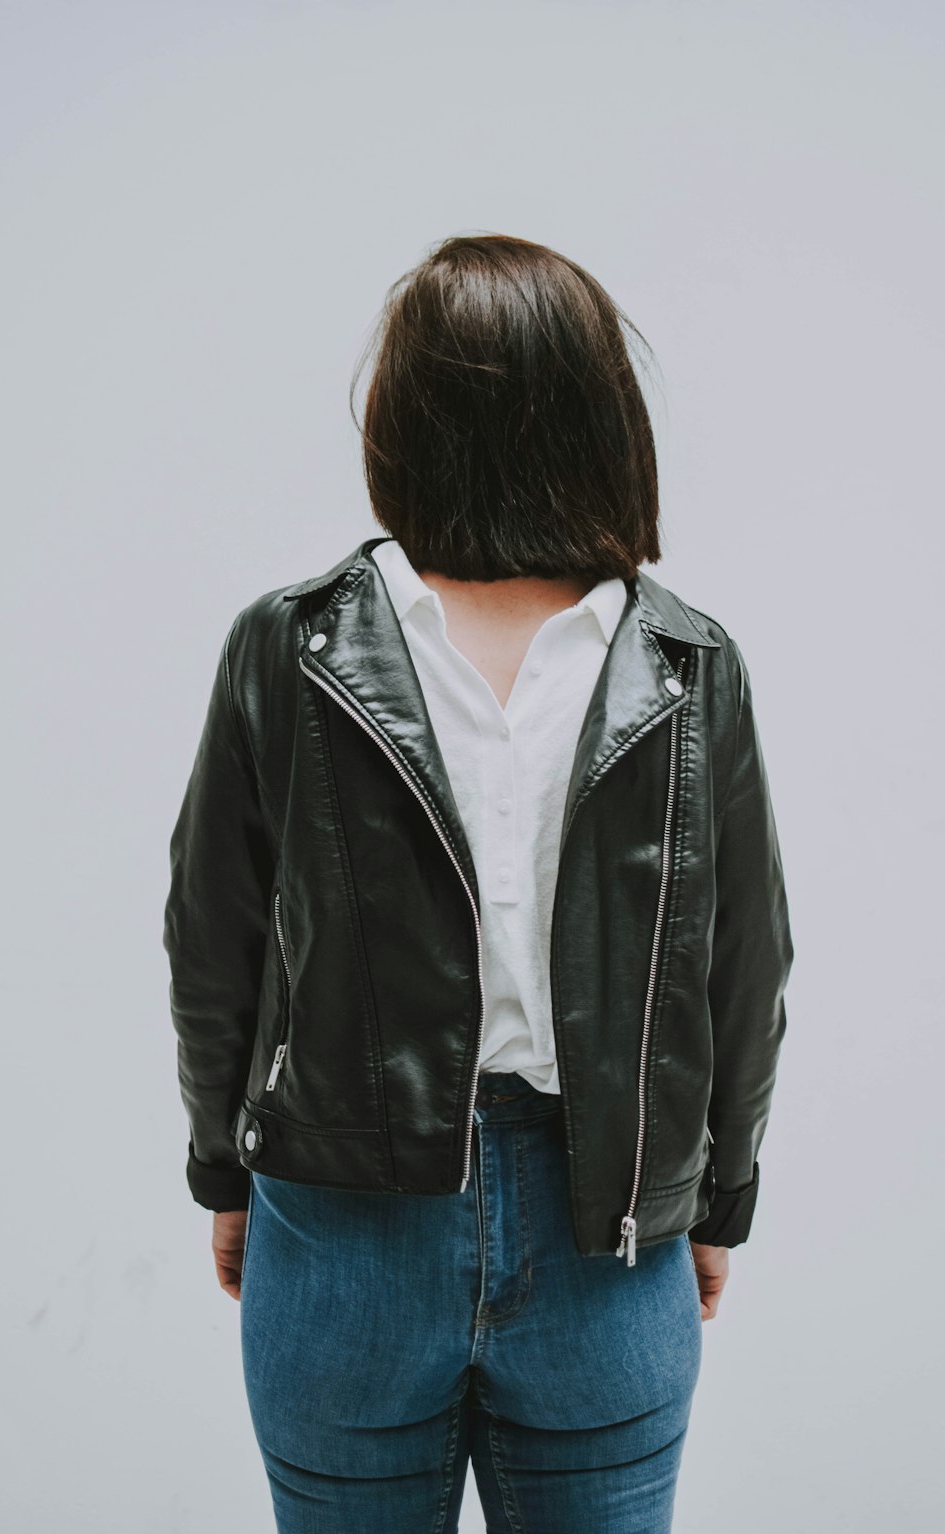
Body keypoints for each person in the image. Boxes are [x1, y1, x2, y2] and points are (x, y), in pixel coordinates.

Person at [162, 232, 794, 1534]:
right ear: (600, 415)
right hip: (594, 1236)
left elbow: (210, 941)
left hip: (351, 1234)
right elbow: (745, 965)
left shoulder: (297, 647)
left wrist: (226, 1174)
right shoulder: (683, 663)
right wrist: (714, 1204)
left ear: (403, 421)